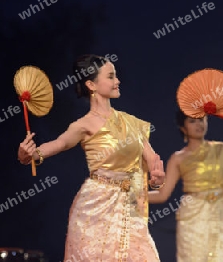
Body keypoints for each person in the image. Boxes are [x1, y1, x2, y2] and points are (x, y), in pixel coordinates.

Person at [17, 54, 165, 262]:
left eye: (116, 76)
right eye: (111, 77)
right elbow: (58, 143)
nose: (117, 81)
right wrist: (30, 154)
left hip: (131, 210)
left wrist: (157, 178)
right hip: (95, 209)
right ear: (91, 84)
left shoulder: (132, 123)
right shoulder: (82, 125)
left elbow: (152, 158)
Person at [147, 109, 223, 262]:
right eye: (192, 121)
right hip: (193, 216)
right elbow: (163, 195)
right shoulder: (178, 158)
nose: (199, 124)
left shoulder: (222, 149)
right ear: (183, 128)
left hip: (221, 214)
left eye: (202, 119)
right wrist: (134, 195)